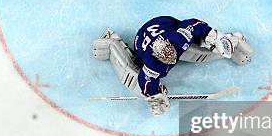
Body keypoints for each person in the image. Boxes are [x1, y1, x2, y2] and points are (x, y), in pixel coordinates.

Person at [92, 16, 252, 115]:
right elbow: (145, 85)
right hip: (141, 43)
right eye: (167, 59)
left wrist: (215, 37)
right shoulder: (152, 65)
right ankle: (113, 43)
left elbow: (195, 24)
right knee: (134, 83)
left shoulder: (177, 40)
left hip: (162, 23)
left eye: (173, 55)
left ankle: (232, 40)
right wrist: (155, 96)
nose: (172, 59)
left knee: (200, 48)